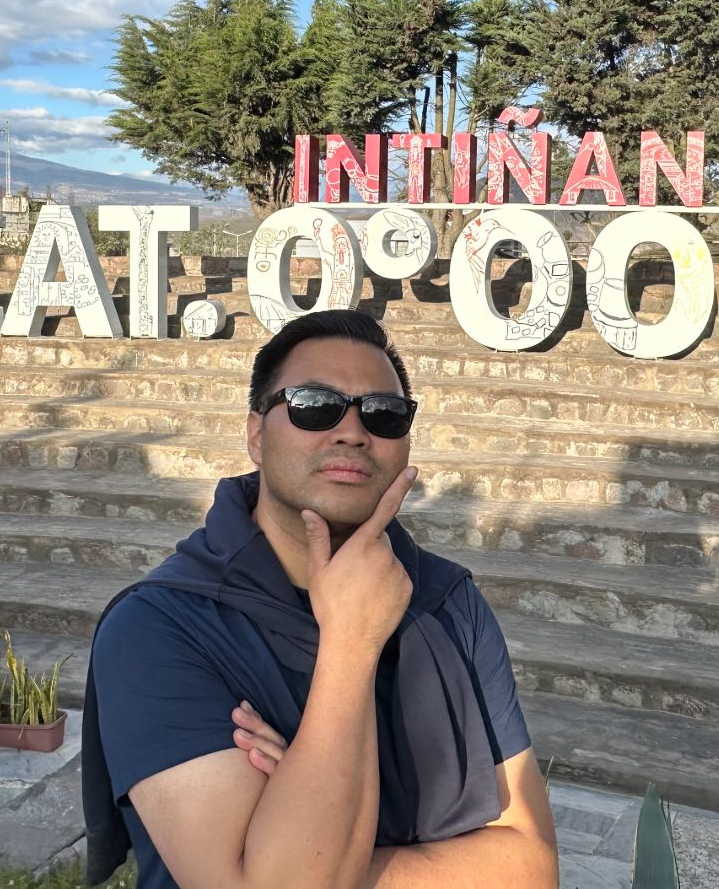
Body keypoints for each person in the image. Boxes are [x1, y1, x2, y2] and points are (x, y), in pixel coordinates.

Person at [82, 308, 560, 888]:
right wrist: (352, 642)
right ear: (256, 434)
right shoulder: (158, 628)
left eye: (384, 415)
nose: (353, 431)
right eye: (315, 405)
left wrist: (320, 846)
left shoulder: (447, 602)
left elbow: (533, 868)